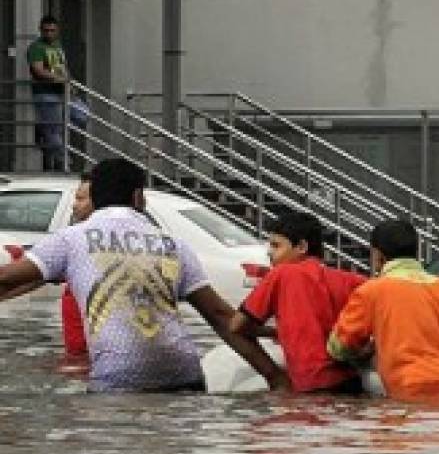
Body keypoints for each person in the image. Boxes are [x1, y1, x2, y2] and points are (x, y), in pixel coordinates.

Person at [0, 158, 288, 392]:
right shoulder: (173, 244)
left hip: (118, 378)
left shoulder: (71, 239)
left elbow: (7, 279)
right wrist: (275, 377)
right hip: (184, 374)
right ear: (138, 197)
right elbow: (222, 318)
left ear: (94, 196)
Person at [327, 219, 439, 400]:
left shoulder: (371, 292)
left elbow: (338, 348)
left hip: (406, 394)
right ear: (416, 253)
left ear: (378, 257)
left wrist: (368, 349)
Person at [230, 211, 367, 394]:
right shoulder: (352, 281)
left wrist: (277, 334)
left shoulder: (281, 274)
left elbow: (236, 325)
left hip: (310, 386)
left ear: (301, 246)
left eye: (276, 246)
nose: (269, 252)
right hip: (351, 383)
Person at [26, 15, 70, 171]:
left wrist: (68, 81)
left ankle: (42, 134)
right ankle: (60, 163)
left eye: (52, 30)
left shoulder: (58, 46)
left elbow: (62, 66)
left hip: (60, 92)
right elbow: (38, 69)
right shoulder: (36, 47)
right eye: (46, 30)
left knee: (76, 118)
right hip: (45, 92)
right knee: (53, 129)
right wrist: (56, 78)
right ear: (41, 30)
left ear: (57, 30)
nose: (49, 33)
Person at [58, 171, 93, 359]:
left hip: (87, 360)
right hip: (80, 357)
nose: (74, 205)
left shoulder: (76, 242)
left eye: (80, 199)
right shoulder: (76, 241)